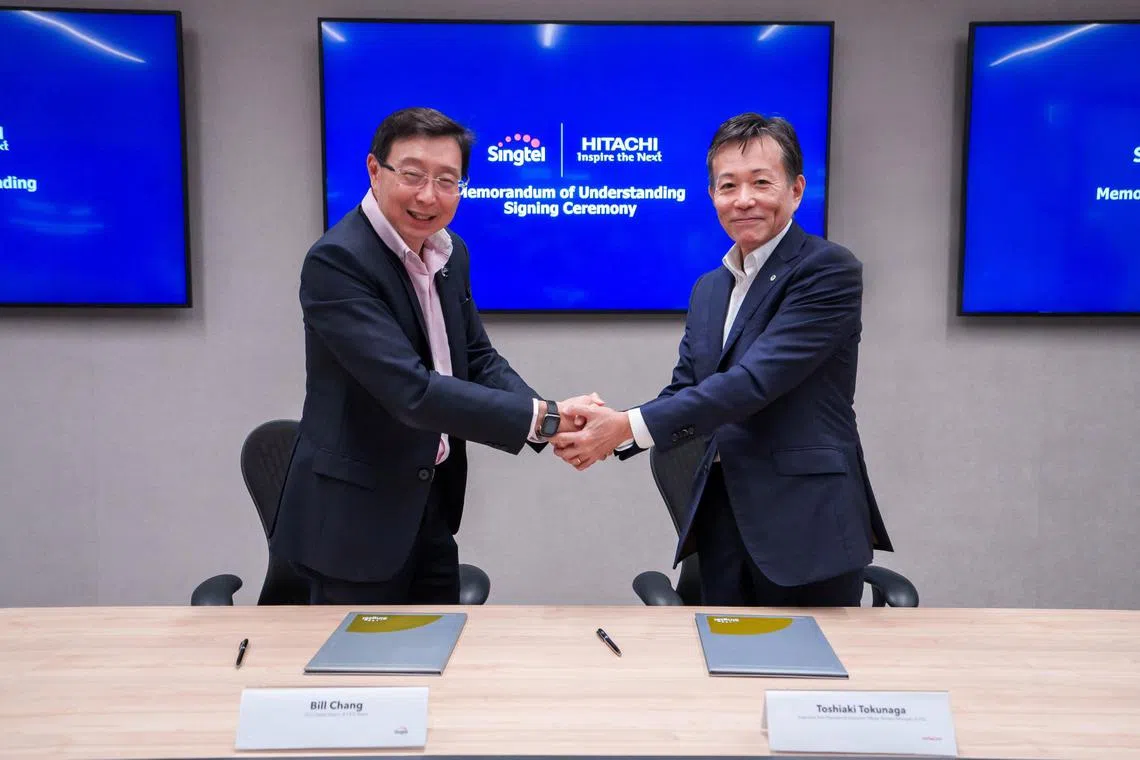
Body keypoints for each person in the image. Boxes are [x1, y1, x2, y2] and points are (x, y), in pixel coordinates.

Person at [553, 113, 892, 607]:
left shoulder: (827, 270)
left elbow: (753, 384)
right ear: (712, 195)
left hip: (807, 526)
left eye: (761, 182)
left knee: (806, 675)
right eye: (727, 185)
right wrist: (604, 432)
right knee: (712, 672)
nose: (743, 199)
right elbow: (686, 390)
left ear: (796, 190)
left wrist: (624, 426)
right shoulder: (710, 289)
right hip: (718, 521)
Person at [271, 107, 598, 604]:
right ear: (374, 171)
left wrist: (545, 413)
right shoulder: (338, 261)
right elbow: (411, 392)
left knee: (440, 660)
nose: (429, 195)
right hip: (353, 524)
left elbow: (476, 356)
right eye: (413, 175)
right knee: (363, 675)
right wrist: (543, 419)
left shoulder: (449, 252)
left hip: (429, 504)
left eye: (447, 180)